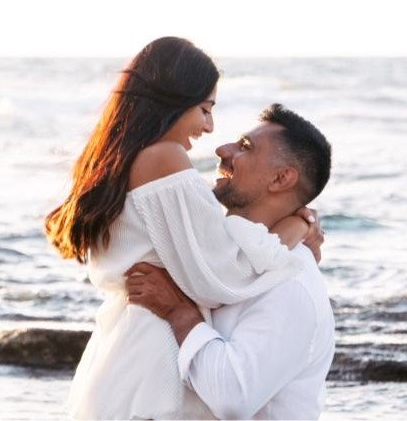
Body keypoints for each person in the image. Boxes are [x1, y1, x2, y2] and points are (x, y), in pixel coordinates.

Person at [45, 37, 322, 420]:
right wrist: (295, 230)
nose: (209, 127)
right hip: (153, 355)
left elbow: (210, 258)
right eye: (205, 110)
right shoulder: (164, 158)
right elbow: (226, 276)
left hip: (126, 345)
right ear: (174, 98)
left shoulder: (124, 160)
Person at [126, 104, 335, 420]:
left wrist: (178, 312)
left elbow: (232, 396)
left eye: (245, 147)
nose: (223, 149)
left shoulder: (291, 284)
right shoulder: (222, 256)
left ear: (281, 178)